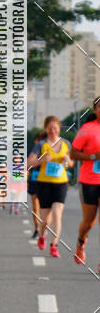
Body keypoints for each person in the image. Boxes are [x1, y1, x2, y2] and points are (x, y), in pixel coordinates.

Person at [27, 116, 73, 258]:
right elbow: (29, 163)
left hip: (61, 183)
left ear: (59, 128)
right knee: (45, 218)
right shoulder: (41, 144)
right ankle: (42, 235)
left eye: (55, 128)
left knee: (57, 213)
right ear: (46, 129)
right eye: (50, 128)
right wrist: (41, 160)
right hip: (44, 183)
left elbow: (71, 164)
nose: (53, 131)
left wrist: (68, 161)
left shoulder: (66, 144)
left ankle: (54, 245)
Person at [70, 97, 100, 270]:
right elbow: (74, 154)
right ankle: (81, 243)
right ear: (95, 110)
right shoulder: (87, 129)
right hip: (89, 180)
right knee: (89, 223)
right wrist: (93, 156)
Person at [27, 132, 44, 239]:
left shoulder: (48, 152)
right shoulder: (31, 153)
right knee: (36, 207)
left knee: (45, 207)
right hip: (34, 181)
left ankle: (43, 228)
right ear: (35, 141)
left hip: (46, 181)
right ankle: (37, 228)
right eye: (39, 140)